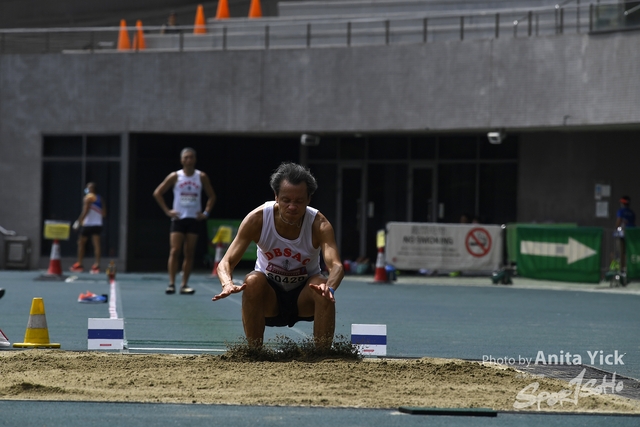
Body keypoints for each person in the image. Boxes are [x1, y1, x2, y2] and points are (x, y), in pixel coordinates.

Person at [212, 162, 344, 349]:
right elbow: (226, 262)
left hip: (304, 296)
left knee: (322, 287)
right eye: (286, 200)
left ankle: (323, 355)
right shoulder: (257, 219)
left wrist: (330, 287)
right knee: (252, 281)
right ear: (276, 196)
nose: (292, 207)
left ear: (309, 199)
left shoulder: (319, 224)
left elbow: (336, 265)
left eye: (299, 201)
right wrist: (227, 284)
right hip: (269, 297)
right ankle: (254, 352)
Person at [153, 147, 216, 295]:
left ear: (195, 159)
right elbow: (157, 193)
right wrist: (167, 211)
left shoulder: (201, 176)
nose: (188, 160)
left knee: (189, 252)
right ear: (181, 160)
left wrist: (206, 213)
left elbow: (212, 196)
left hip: (193, 219)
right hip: (178, 218)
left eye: (191, 157)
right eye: (186, 157)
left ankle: (184, 284)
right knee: (175, 250)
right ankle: (171, 283)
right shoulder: (175, 176)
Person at [70, 182, 106, 274]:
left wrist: (78, 221)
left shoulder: (87, 198)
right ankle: (97, 265)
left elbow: (85, 211)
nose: (87, 190)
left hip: (88, 224)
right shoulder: (100, 198)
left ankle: (79, 264)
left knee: (81, 243)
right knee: (97, 245)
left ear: (91, 189)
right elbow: (104, 213)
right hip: (97, 224)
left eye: (88, 188)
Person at [615, 196, 636, 273]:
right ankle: (630, 269)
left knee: (620, 251)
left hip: (622, 234)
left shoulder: (621, 211)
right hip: (631, 234)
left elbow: (618, 222)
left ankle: (621, 269)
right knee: (630, 251)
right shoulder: (632, 213)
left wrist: (616, 229)